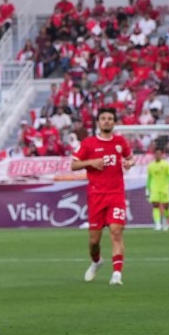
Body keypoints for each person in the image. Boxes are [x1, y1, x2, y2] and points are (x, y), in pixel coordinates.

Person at [70, 106, 134, 285]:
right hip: (96, 196)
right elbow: (73, 165)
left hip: (116, 195)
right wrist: (92, 162)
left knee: (116, 232)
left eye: (110, 118)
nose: (107, 121)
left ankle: (116, 275)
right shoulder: (89, 143)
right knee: (93, 241)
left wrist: (129, 163)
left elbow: (130, 158)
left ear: (114, 122)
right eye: (104, 118)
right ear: (98, 122)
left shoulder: (120, 142)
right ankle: (97, 261)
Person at [146, 144, 169, 231]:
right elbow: (149, 178)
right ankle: (158, 224)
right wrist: (147, 190)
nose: (157, 155)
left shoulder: (166, 164)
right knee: (155, 206)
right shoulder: (150, 165)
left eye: (159, 154)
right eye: (156, 154)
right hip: (154, 188)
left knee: (166, 206)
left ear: (162, 154)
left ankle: (165, 221)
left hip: (164, 188)